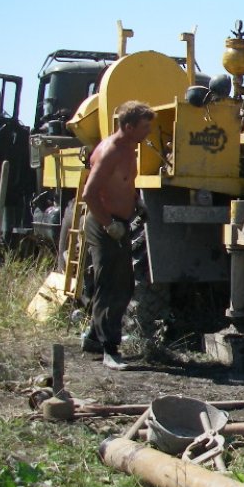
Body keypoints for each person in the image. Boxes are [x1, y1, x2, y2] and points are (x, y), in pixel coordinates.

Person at [80, 100, 155, 370]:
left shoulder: (130, 148)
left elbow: (124, 184)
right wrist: (109, 224)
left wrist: (137, 203)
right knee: (113, 285)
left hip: (119, 222)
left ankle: (93, 338)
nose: (148, 131)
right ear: (128, 126)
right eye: (144, 127)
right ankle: (109, 350)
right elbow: (89, 194)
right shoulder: (111, 151)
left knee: (120, 282)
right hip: (105, 226)